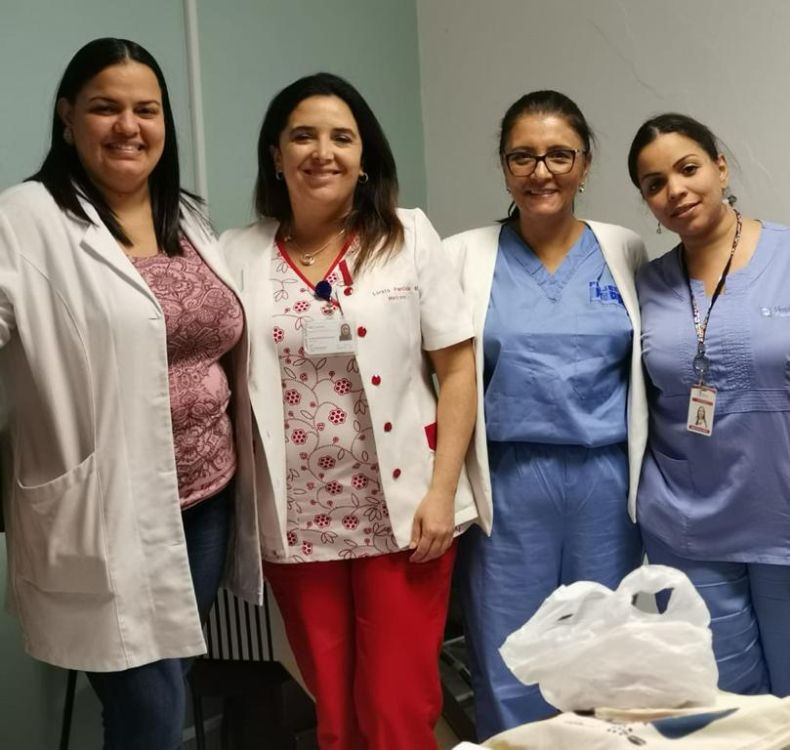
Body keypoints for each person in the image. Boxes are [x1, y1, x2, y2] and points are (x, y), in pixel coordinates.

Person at [0, 38, 260, 750]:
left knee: (167, 678)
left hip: (206, 502)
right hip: (105, 514)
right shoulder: (23, 220)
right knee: (148, 715)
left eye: (145, 109)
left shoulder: (186, 215)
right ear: (67, 117)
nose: (128, 126)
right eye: (105, 107)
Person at [220, 73, 477, 750]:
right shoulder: (235, 253)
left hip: (401, 510)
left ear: (366, 159)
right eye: (302, 135)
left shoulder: (408, 235)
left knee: (396, 709)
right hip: (299, 519)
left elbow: (456, 369)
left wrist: (443, 491)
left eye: (342, 137)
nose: (322, 151)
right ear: (275, 154)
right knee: (332, 713)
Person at [446, 90, 646, 739]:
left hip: (607, 480)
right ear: (504, 167)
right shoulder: (465, 256)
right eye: (523, 156)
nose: (542, 171)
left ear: (586, 164)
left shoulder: (625, 250)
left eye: (560, 155)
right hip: (509, 479)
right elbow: (444, 375)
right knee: (511, 649)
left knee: (606, 650)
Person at [627, 113, 790, 698]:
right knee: (719, 692)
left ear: (720, 167)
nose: (676, 190)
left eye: (688, 168)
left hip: (789, 510)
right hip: (683, 516)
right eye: (654, 183)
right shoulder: (648, 283)